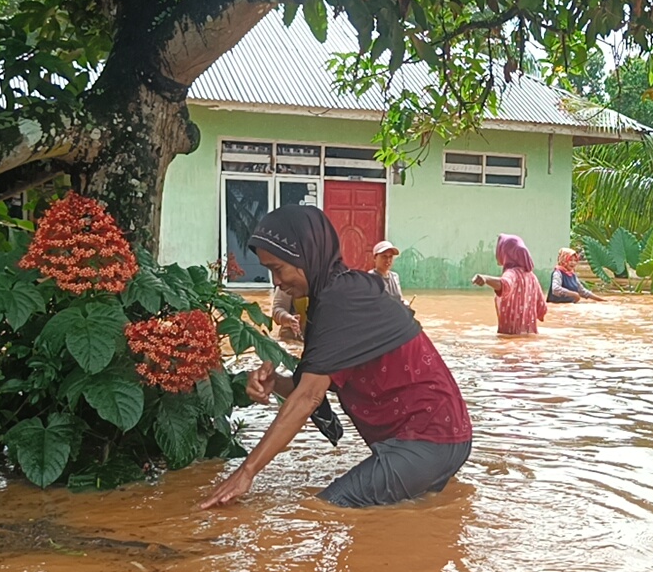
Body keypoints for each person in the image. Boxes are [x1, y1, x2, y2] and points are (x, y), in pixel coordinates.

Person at [201, 206, 472, 509]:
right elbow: (308, 388)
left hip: (428, 440)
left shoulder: (340, 300)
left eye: (278, 268)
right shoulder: (335, 295)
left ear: (305, 256)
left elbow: (308, 398)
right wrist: (274, 382)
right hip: (440, 439)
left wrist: (246, 472)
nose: (275, 281)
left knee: (326, 509)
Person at [471, 233, 547, 335]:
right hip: (529, 339)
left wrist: (486, 279)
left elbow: (504, 284)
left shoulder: (511, 273)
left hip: (510, 337)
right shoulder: (532, 277)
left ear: (506, 252)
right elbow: (542, 310)